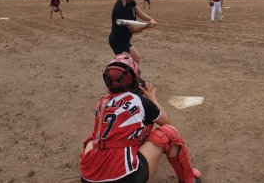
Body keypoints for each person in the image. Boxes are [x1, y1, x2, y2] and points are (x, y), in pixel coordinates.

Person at [80, 54, 202, 183]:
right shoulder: (139, 101)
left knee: (93, 139)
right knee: (170, 133)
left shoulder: (101, 104)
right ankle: (189, 179)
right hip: (125, 178)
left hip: (89, 179)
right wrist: (152, 98)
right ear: (133, 79)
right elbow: (166, 123)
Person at [109, 0, 156, 64]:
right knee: (127, 65)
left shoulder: (130, 1)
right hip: (118, 41)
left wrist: (151, 20)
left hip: (124, 39)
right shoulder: (122, 9)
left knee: (137, 59)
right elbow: (133, 30)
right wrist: (147, 26)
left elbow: (140, 13)